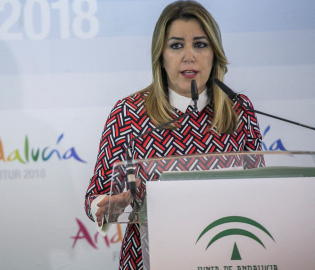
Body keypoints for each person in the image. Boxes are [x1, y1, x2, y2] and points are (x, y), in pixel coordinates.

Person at [84, 0, 264, 269]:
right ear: (161, 55)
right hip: (148, 258)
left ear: (215, 53)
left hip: (225, 254)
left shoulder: (239, 109)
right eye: (176, 45)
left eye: (200, 44)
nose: (188, 56)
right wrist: (106, 206)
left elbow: (261, 192)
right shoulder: (129, 113)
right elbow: (96, 195)